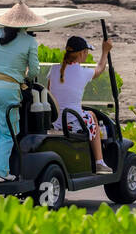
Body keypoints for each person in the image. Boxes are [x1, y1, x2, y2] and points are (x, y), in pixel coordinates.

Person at [0, 0, 46, 182]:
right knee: (7, 131)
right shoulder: (30, 41)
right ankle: (1, 172)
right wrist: (25, 76)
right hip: (9, 88)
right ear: (27, 24)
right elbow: (35, 70)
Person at [46, 35, 115, 174]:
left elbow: (50, 94)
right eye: (86, 52)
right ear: (82, 53)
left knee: (84, 113)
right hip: (72, 122)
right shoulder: (83, 72)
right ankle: (99, 162)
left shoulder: (54, 70)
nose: (87, 55)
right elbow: (100, 68)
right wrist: (105, 51)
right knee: (92, 116)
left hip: (55, 122)